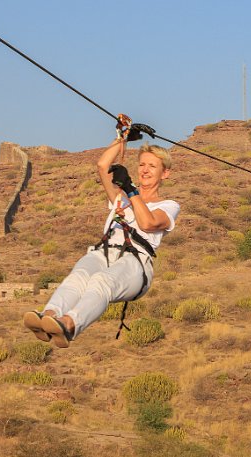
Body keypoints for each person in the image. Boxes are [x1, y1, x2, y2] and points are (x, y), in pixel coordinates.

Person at [23, 121, 180, 348]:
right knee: (78, 276)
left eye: (152, 167)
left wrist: (130, 188)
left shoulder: (168, 205)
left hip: (135, 262)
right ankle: (50, 316)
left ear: (165, 173)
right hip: (105, 252)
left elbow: (147, 223)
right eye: (142, 165)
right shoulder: (121, 197)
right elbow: (102, 165)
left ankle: (69, 325)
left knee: (100, 281)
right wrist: (122, 138)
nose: (145, 170)